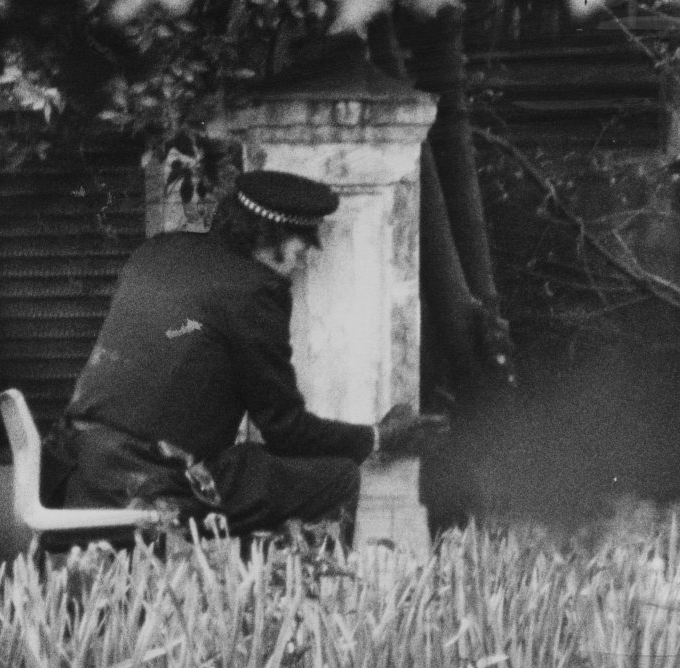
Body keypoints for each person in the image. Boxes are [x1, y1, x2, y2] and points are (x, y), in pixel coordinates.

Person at [47, 169, 427, 541]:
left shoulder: (157, 250)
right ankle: (302, 596)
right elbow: (286, 431)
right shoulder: (255, 291)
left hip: (75, 469)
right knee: (335, 477)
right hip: (149, 481)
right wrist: (378, 437)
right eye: (304, 241)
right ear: (271, 235)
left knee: (255, 470)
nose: (306, 257)